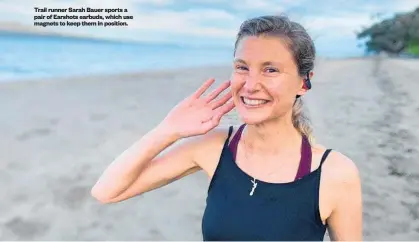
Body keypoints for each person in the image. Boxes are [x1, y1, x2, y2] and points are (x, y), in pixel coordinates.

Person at [91, 15, 362, 241]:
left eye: (270, 70)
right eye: (242, 67)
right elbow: (107, 191)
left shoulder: (334, 173)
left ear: (304, 82)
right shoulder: (213, 148)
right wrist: (167, 130)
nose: (251, 84)